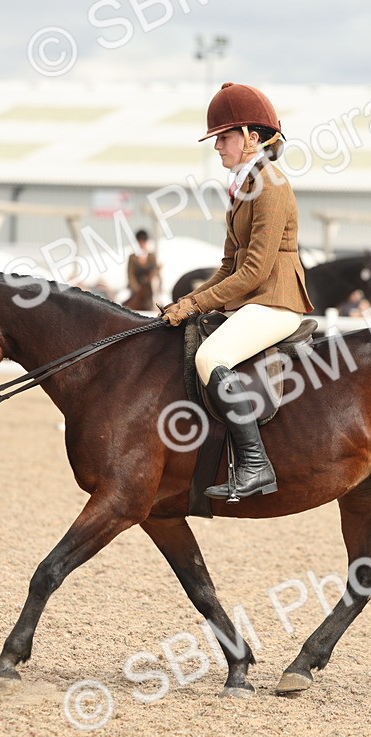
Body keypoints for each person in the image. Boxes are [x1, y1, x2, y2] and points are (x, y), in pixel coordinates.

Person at [161, 82, 313, 500]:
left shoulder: (272, 187)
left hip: (276, 300)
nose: (218, 148)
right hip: (254, 298)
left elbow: (253, 270)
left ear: (252, 137)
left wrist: (195, 302)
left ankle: (255, 464)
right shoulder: (244, 187)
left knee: (212, 357)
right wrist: (185, 304)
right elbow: (228, 266)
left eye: (223, 138)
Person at [126, 230, 160, 303]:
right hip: (135, 288)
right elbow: (130, 273)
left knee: (162, 302)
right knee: (121, 299)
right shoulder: (132, 257)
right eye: (140, 242)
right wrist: (135, 288)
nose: (141, 244)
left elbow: (155, 272)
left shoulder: (151, 256)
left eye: (143, 242)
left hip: (150, 288)